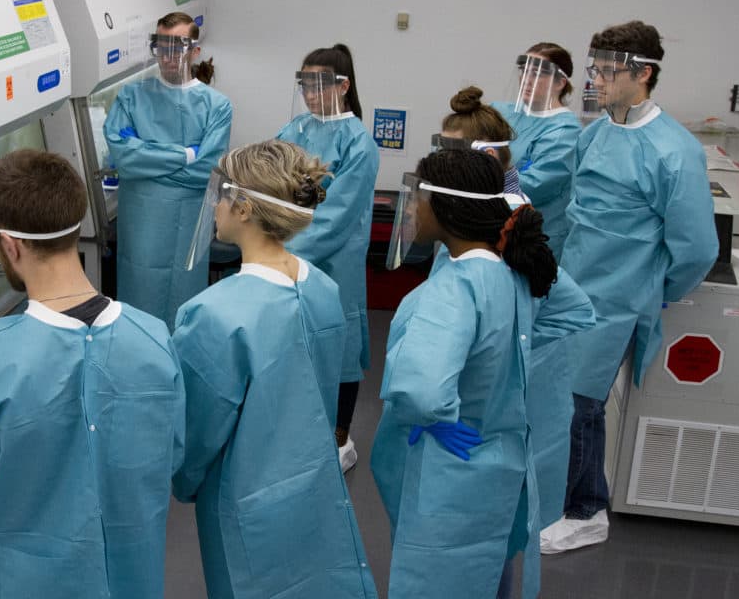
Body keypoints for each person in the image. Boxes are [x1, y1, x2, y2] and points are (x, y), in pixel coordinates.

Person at [0, 151, 185, 599]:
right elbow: (172, 455)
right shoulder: (154, 340)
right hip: (133, 575)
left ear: (8, 244)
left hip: (24, 580)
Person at [371, 147, 594, 599]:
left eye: (419, 198)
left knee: (441, 575)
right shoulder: (511, 274)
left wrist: (435, 419)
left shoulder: (451, 290)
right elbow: (576, 309)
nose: (412, 208)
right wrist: (517, 336)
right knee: (490, 563)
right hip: (498, 458)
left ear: (447, 208)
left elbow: (421, 392)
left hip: (448, 464)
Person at [173, 139, 378, 598]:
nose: (216, 205)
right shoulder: (324, 290)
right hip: (312, 483)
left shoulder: (213, 315)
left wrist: (185, 481)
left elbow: (199, 434)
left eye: (221, 195)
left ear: (243, 208)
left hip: (242, 498)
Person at [543, 20, 718, 553]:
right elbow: (575, 213)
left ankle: (586, 509)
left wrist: (652, 291)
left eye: (606, 70)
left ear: (643, 74)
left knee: (582, 403)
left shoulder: (674, 151)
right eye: (593, 68)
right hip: (572, 286)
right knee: (558, 397)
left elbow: (697, 249)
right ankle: (562, 495)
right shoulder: (595, 132)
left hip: (619, 300)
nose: (595, 79)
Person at [277, 44, 379, 471]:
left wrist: (278, 251)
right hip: (288, 253)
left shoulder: (360, 143)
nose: (310, 94)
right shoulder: (294, 129)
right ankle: (297, 427)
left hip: (335, 261)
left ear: (343, 85)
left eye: (318, 84)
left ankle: (340, 437)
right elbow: (272, 184)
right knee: (294, 342)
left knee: (340, 344)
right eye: (304, 83)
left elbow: (335, 217)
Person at [104, 11, 233, 329]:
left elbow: (207, 171)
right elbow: (123, 157)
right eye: (162, 46)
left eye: (179, 46)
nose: (169, 55)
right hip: (142, 228)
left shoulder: (217, 106)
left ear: (195, 51)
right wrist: (184, 154)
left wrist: (147, 164)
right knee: (138, 308)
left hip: (190, 225)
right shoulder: (131, 97)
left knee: (183, 308)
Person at [491, 43, 581, 259]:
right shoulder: (502, 112)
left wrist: (481, 176)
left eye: (538, 73)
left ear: (560, 82)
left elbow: (534, 184)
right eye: (524, 71)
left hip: (533, 238)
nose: (527, 79)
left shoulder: (565, 130)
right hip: (495, 227)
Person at [436, 86, 524, 197]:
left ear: (488, 156)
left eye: (453, 153)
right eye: (443, 150)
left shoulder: (508, 208)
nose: (443, 161)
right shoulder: (477, 195)